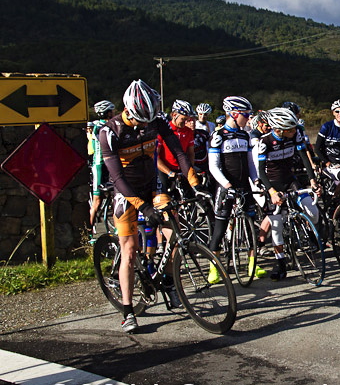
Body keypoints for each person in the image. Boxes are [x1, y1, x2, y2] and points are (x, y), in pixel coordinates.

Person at [99, 80, 201, 333]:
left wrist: (194, 183)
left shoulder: (156, 119)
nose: (146, 126)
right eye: (140, 121)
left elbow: (178, 152)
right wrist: (144, 209)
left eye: (149, 122)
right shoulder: (109, 132)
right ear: (128, 110)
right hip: (127, 193)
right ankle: (128, 310)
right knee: (130, 250)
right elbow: (118, 179)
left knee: (175, 234)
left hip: (153, 186)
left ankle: (167, 280)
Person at [255, 107, 319, 281]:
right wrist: (272, 192)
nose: (294, 131)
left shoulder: (296, 133)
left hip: (291, 180)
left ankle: (309, 232)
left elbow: (304, 157)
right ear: (278, 129)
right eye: (289, 129)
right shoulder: (265, 142)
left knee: (313, 212)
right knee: (276, 226)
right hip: (273, 184)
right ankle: (280, 262)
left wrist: (312, 181)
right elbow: (260, 171)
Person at [207, 96, 260, 283]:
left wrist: (256, 179)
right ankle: (214, 267)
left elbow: (250, 163)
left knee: (250, 225)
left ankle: (253, 263)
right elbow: (213, 167)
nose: (248, 118)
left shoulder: (244, 135)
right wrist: (227, 185)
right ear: (234, 114)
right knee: (220, 229)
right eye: (246, 115)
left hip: (244, 185)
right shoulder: (218, 136)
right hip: (225, 188)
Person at [88, 100, 115, 233]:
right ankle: (89, 232)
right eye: (112, 111)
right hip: (100, 165)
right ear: (107, 112)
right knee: (96, 201)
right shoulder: (100, 126)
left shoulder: (98, 125)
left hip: (105, 163)